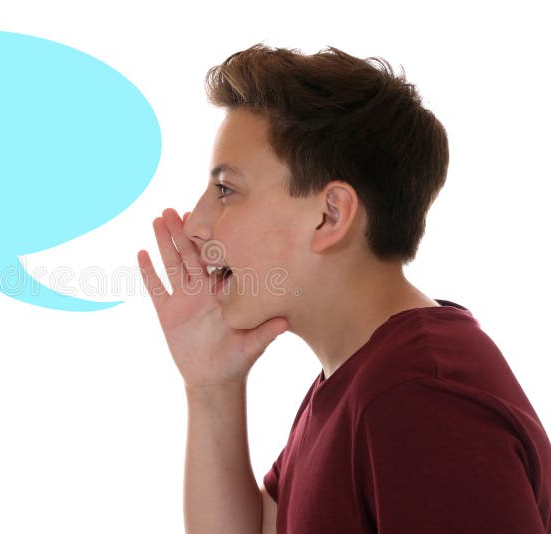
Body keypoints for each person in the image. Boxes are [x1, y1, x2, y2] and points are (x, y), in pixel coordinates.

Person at [136, 44, 551, 534]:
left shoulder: (421, 397)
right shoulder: (360, 381)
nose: (196, 225)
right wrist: (212, 388)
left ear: (329, 215)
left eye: (226, 190)